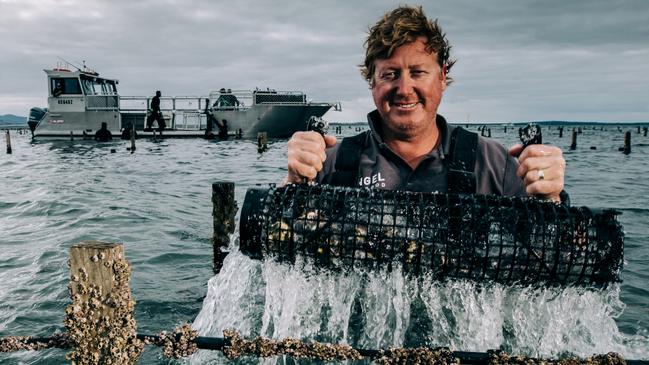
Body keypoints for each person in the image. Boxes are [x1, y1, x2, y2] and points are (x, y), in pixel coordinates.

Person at [284, 5, 566, 203]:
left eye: (418, 72)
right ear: (372, 81)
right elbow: (275, 241)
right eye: (390, 74)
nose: (404, 89)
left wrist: (550, 196)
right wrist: (293, 183)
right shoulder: (331, 165)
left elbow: (565, 257)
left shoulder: (495, 165)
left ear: (442, 77)